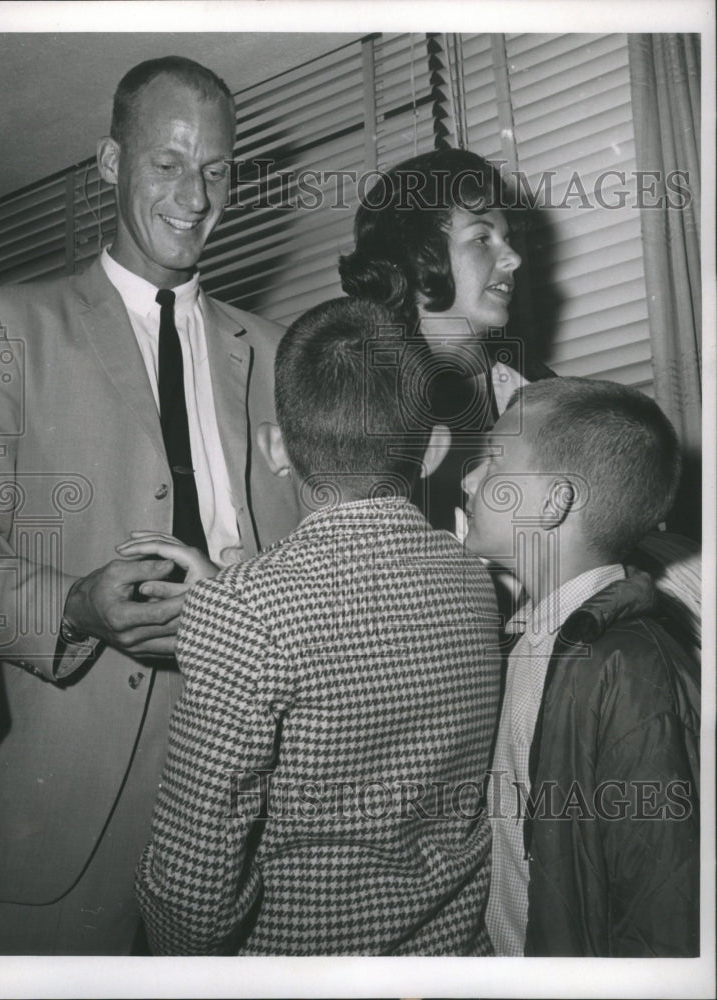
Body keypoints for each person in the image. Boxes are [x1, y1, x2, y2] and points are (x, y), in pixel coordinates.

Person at [0, 56, 299, 955]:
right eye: (167, 164)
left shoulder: (281, 355)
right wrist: (75, 605)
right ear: (111, 163)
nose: (195, 197)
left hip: (255, 829)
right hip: (57, 831)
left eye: (218, 169)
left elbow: (314, 562)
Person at [127, 297, 502, 955]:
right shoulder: (476, 581)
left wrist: (234, 607)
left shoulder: (249, 612)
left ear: (276, 447)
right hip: (453, 954)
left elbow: (193, 895)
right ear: (435, 449)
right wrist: (238, 603)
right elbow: (359, 631)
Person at [461, 377, 700, 957]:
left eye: (492, 464)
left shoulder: (629, 667)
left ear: (554, 502)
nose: (467, 481)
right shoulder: (524, 641)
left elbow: (661, 911)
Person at [339, 147, 555, 536]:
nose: (513, 259)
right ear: (417, 255)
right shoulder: (365, 404)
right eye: (481, 239)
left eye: (506, 238)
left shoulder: (528, 381)